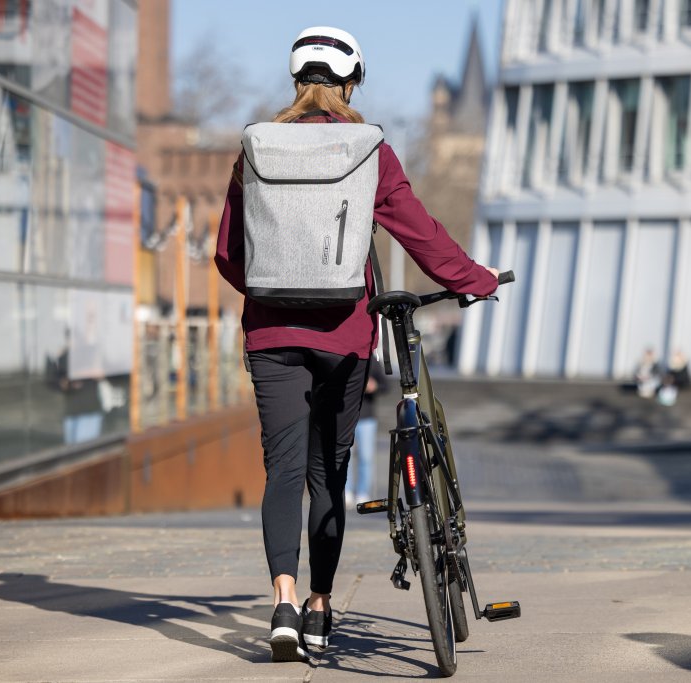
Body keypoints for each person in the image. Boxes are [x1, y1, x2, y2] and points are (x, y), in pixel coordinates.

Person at [214, 26, 500, 663]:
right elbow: (418, 234)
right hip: (345, 336)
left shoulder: (254, 149)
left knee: (283, 471)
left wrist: (271, 297)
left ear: (295, 83)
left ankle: (283, 604)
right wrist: (471, 280)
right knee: (328, 472)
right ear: (351, 84)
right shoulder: (371, 151)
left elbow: (227, 254)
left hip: (271, 337)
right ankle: (321, 608)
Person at [345, 361, 385, 507]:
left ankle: (363, 491)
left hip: (367, 418)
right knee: (345, 455)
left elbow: (385, 385)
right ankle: (346, 490)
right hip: (347, 416)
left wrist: (374, 387)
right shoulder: (346, 359)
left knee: (366, 457)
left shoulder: (372, 361)